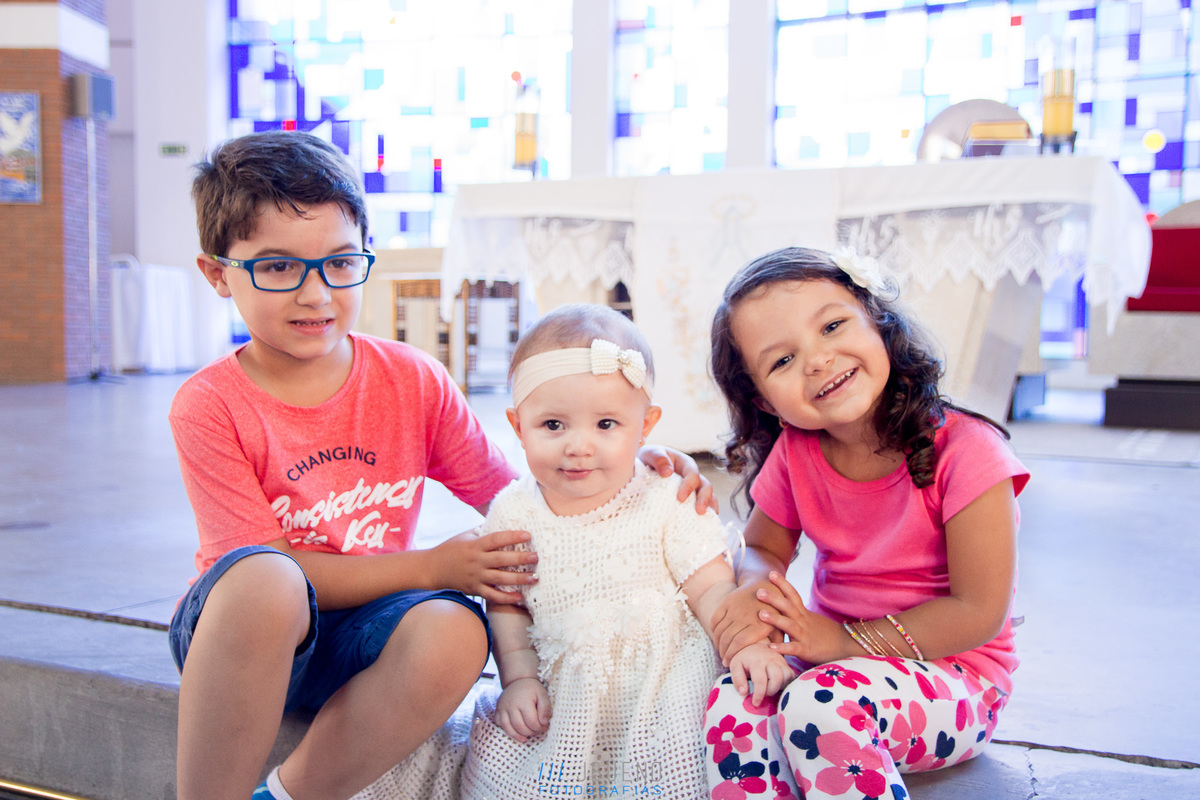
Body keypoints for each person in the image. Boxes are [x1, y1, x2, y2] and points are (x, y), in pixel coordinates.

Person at [167, 130, 714, 800]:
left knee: (459, 626)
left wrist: (618, 465)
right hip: (248, 633)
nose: (316, 294)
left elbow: (514, 496)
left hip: (370, 626)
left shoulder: (410, 379)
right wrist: (430, 567)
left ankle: (283, 796)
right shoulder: (210, 404)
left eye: (340, 263)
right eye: (278, 267)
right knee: (268, 581)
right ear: (218, 274)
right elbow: (275, 571)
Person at [703, 246, 1029, 800]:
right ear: (765, 400)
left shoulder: (970, 451)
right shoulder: (797, 450)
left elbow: (979, 612)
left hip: (955, 678)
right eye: (782, 361)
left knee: (816, 701)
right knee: (736, 696)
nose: (817, 360)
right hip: (833, 662)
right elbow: (763, 548)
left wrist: (841, 640)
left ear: (878, 321)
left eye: (832, 325)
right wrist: (758, 588)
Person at [460, 304, 792, 800]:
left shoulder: (667, 495)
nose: (578, 446)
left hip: (665, 688)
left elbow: (710, 586)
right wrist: (518, 678)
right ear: (516, 424)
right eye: (553, 425)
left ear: (645, 425)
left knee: (688, 770)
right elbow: (508, 605)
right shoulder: (513, 513)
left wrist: (744, 642)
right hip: (566, 696)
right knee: (507, 771)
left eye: (606, 424)